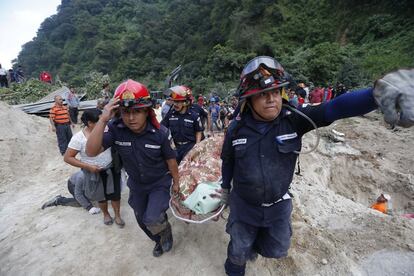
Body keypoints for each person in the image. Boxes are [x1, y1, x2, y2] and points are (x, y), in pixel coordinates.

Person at [218, 56, 414, 276]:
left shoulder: (295, 119)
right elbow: (228, 161)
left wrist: (374, 95)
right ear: (249, 100)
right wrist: (226, 189)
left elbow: (334, 108)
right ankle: (237, 265)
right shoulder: (236, 129)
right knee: (238, 250)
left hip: (277, 208)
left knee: (276, 249)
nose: (271, 99)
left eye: (275, 92)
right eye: (262, 95)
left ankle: (253, 247)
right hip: (244, 207)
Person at [85, 79, 179, 257]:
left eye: (137, 112)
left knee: (151, 217)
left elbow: (171, 160)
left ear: (147, 111)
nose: (131, 118)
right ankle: (158, 240)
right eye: (126, 112)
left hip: (159, 183)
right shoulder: (115, 129)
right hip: (137, 185)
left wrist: (176, 182)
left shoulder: (160, 133)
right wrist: (103, 119)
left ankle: (165, 230)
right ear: (119, 112)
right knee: (142, 220)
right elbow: (91, 151)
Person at [64, 109, 124, 227]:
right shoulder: (79, 138)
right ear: (90, 123)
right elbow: (68, 158)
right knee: (100, 197)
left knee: (115, 194)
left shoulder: (107, 130)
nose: (104, 123)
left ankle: (117, 215)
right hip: (93, 172)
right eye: (100, 121)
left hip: (111, 169)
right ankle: (106, 214)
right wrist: (88, 166)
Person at [161, 85, 204, 163]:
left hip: (189, 147)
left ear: (186, 102)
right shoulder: (170, 114)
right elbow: (162, 128)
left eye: (178, 102)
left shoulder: (194, 115)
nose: (175, 104)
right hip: (175, 148)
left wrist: (197, 146)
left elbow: (198, 131)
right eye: (174, 101)